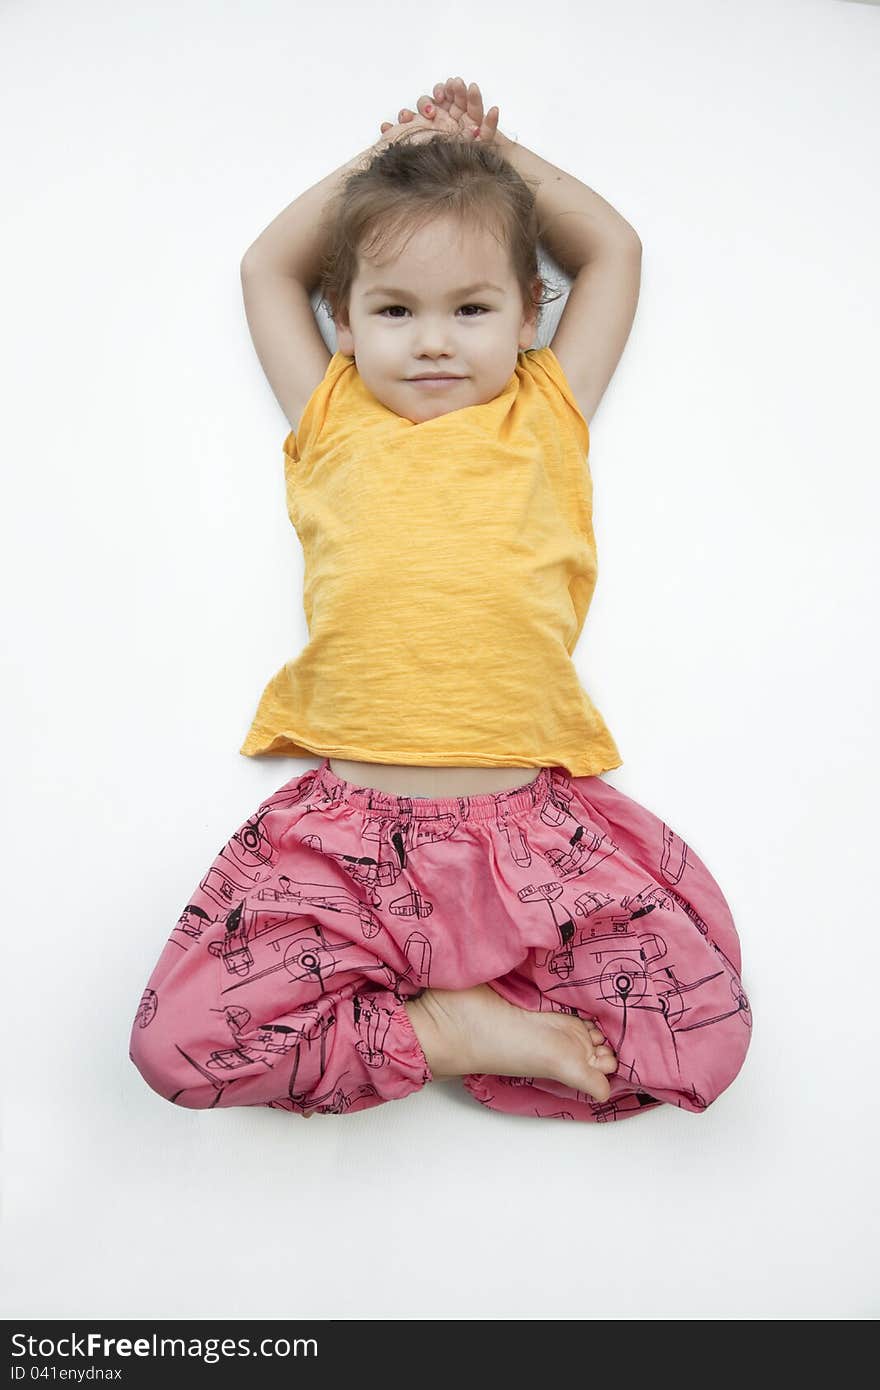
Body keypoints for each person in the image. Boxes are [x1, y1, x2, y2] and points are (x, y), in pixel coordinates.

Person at [129, 77, 752, 1122]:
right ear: (343, 321)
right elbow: (261, 267)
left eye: (470, 309)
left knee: (708, 1032)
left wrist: (491, 160)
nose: (431, 340)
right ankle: (444, 1026)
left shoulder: (546, 408)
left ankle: (481, 998)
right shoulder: (329, 413)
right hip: (348, 838)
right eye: (394, 310)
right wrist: (397, 156)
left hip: (530, 836)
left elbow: (615, 250)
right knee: (178, 1045)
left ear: (525, 316)